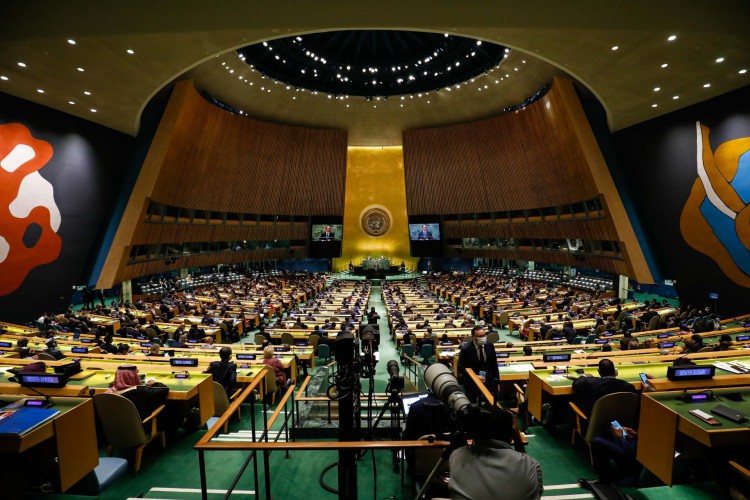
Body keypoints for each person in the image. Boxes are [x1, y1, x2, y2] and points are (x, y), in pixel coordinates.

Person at [448, 406, 543, 500]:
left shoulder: (457, 456)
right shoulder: (532, 465)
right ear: (511, 433)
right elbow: (537, 494)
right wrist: (517, 437)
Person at [106, 364, 179, 430]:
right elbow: (163, 390)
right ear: (133, 376)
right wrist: (154, 383)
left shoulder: (108, 393)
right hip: (140, 427)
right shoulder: (139, 392)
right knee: (169, 409)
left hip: (113, 429)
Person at [572, 359, 636, 417]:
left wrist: (583, 376)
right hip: (621, 424)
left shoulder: (590, 383)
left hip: (596, 424)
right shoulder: (629, 387)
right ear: (615, 371)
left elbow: (576, 384)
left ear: (599, 372)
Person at [457, 325, 500, 403]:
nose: (483, 338)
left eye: (484, 335)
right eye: (480, 336)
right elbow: (460, 367)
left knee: (490, 402)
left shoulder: (489, 345)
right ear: (473, 337)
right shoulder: (466, 349)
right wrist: (474, 376)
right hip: (472, 382)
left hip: (488, 379)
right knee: (472, 404)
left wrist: (497, 381)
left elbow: (494, 364)